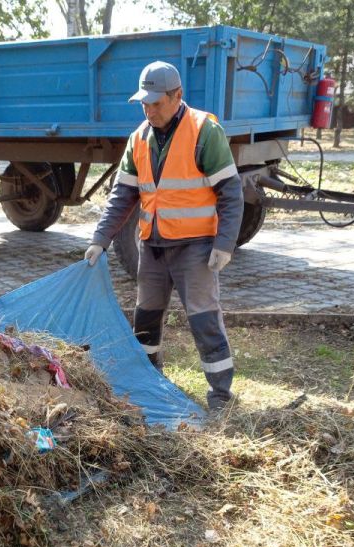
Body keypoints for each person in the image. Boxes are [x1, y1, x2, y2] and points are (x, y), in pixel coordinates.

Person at [84, 61, 244, 412]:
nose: (150, 110)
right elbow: (122, 196)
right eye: (145, 103)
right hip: (153, 248)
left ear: (177, 96)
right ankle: (150, 379)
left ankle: (220, 395)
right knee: (145, 320)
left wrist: (224, 243)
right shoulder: (138, 138)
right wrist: (100, 239)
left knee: (204, 321)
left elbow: (231, 193)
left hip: (195, 249)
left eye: (157, 103)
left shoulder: (204, 131)